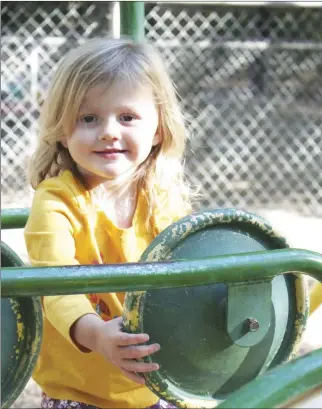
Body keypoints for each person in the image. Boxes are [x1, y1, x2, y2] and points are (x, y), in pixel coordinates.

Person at [24, 37, 194, 409]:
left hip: (157, 386)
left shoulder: (163, 201)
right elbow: (55, 284)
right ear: (62, 131)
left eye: (128, 117)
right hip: (82, 392)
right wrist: (97, 335)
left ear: (158, 129)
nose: (109, 131)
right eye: (89, 118)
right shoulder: (57, 200)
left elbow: (189, 284)